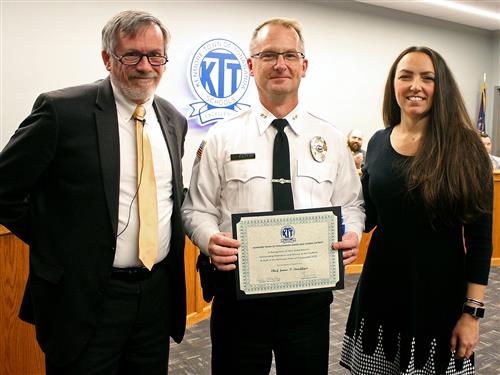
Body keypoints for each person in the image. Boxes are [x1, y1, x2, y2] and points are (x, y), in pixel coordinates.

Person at [0, 10, 188, 375]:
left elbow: (169, 197)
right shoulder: (62, 111)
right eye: (131, 54)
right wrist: (58, 242)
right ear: (108, 58)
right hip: (84, 298)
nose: (145, 65)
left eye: (155, 56)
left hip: (155, 296)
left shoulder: (172, 119)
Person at [182, 17, 365, 375]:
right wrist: (208, 241)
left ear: (304, 65)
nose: (280, 64)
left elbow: (351, 204)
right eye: (268, 55)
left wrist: (353, 232)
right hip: (239, 300)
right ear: (251, 66)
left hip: (309, 302)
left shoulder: (331, 139)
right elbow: (196, 210)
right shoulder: (221, 138)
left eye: (290, 55)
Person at [340, 46, 493, 375]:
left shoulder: (467, 149)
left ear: (442, 88)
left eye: (427, 78)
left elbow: (480, 242)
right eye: (405, 76)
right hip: (379, 290)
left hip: (438, 296)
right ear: (393, 85)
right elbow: (367, 214)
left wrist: (471, 314)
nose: (415, 86)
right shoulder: (378, 143)